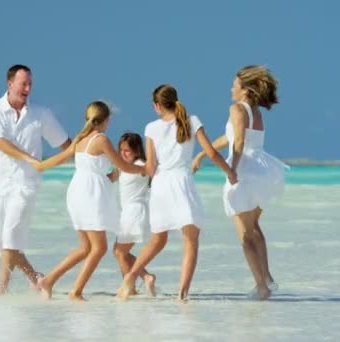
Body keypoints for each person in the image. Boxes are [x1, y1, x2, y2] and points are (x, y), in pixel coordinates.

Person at [118, 85, 237, 302]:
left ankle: (131, 276)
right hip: (181, 183)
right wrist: (230, 172)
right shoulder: (192, 121)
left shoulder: (151, 128)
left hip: (161, 184)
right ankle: (182, 294)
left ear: (157, 105)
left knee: (158, 240)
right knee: (191, 240)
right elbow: (210, 152)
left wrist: (129, 172)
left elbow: (151, 168)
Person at [31, 101, 146, 301]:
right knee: (99, 248)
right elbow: (124, 167)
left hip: (77, 191)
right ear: (106, 120)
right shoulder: (101, 140)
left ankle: (48, 281)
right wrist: (146, 169)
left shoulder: (79, 138)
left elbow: (64, 159)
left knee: (86, 248)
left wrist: (39, 167)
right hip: (91, 194)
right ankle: (75, 292)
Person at [192, 65, 287, 300]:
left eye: (234, 85)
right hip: (263, 170)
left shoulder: (236, 108)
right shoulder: (255, 111)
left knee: (244, 234)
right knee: (254, 227)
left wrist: (232, 170)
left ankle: (261, 286)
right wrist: (203, 154)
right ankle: (267, 278)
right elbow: (231, 137)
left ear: (244, 89)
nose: (231, 88)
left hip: (244, 170)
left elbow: (239, 142)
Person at [0, 64, 71, 295]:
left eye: (30, 83)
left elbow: (65, 144)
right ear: (10, 84)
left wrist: (91, 158)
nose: (28, 88)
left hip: (26, 184)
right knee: (1, 245)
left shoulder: (41, 114)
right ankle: (36, 278)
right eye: (24, 83)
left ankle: (0, 290)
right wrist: (31, 158)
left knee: (11, 236)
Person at [107, 132, 156, 296]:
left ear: (136, 150)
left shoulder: (141, 165)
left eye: (127, 150)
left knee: (120, 252)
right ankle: (145, 277)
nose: (122, 154)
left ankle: (130, 287)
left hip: (136, 212)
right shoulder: (122, 167)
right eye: (120, 150)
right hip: (128, 213)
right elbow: (108, 178)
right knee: (119, 252)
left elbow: (154, 169)